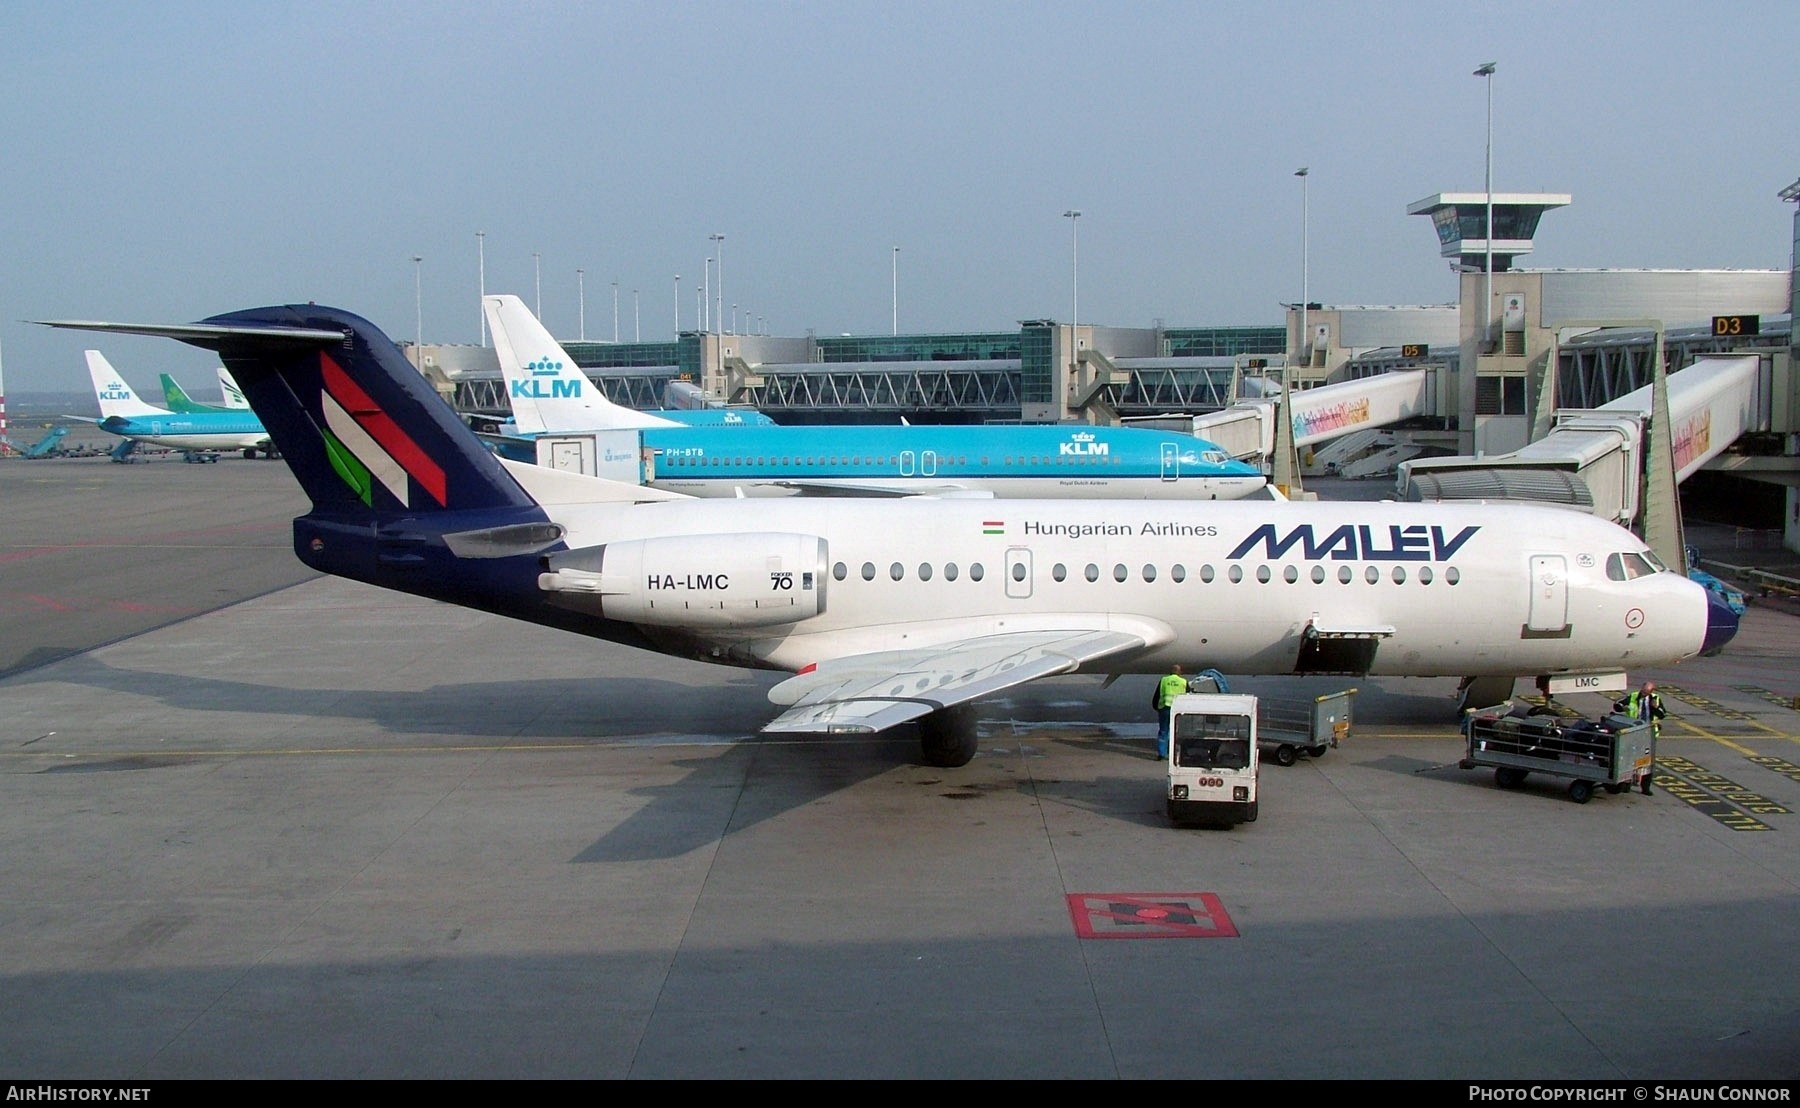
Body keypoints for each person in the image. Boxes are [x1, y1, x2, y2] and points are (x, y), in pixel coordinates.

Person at [1614, 680, 1667, 795]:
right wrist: (1623, 708)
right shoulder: (1633, 696)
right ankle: (1626, 784)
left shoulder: (1656, 699)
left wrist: (1655, 708)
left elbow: (1662, 715)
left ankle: (1645, 787)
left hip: (1649, 735)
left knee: (1647, 762)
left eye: (1646, 692)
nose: (1643, 694)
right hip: (1634, 732)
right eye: (1643, 691)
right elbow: (1617, 705)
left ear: (1651, 692)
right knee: (1628, 760)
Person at [1153, 663, 1187, 759]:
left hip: (1164, 708)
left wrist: (1156, 707)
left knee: (1163, 731)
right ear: (1180, 672)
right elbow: (1188, 695)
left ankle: (1161, 754)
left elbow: (1157, 695)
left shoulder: (1164, 680)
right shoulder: (1183, 682)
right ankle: (1174, 754)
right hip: (1177, 710)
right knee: (1175, 732)